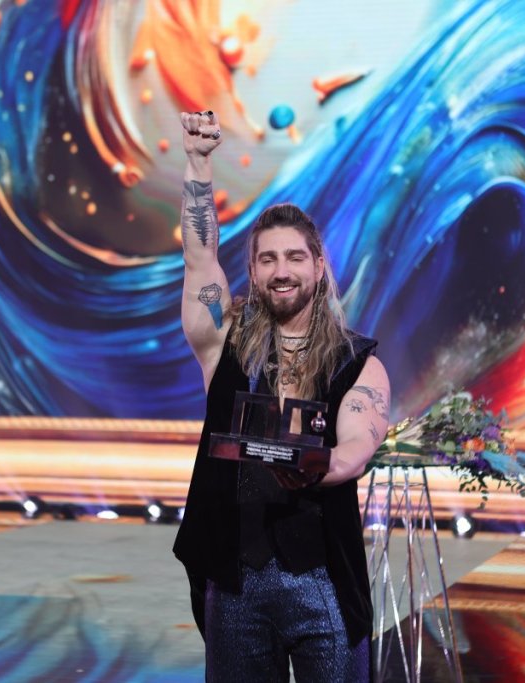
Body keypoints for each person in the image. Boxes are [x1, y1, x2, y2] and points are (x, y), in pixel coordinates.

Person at [172, 110, 391, 682]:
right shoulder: (223, 337)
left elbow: (356, 446)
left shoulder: (357, 361)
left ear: (318, 266)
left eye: (294, 257)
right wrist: (198, 163)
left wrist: (315, 466)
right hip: (235, 582)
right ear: (252, 269)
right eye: (267, 259)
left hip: (323, 580)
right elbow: (199, 259)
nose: (281, 270)